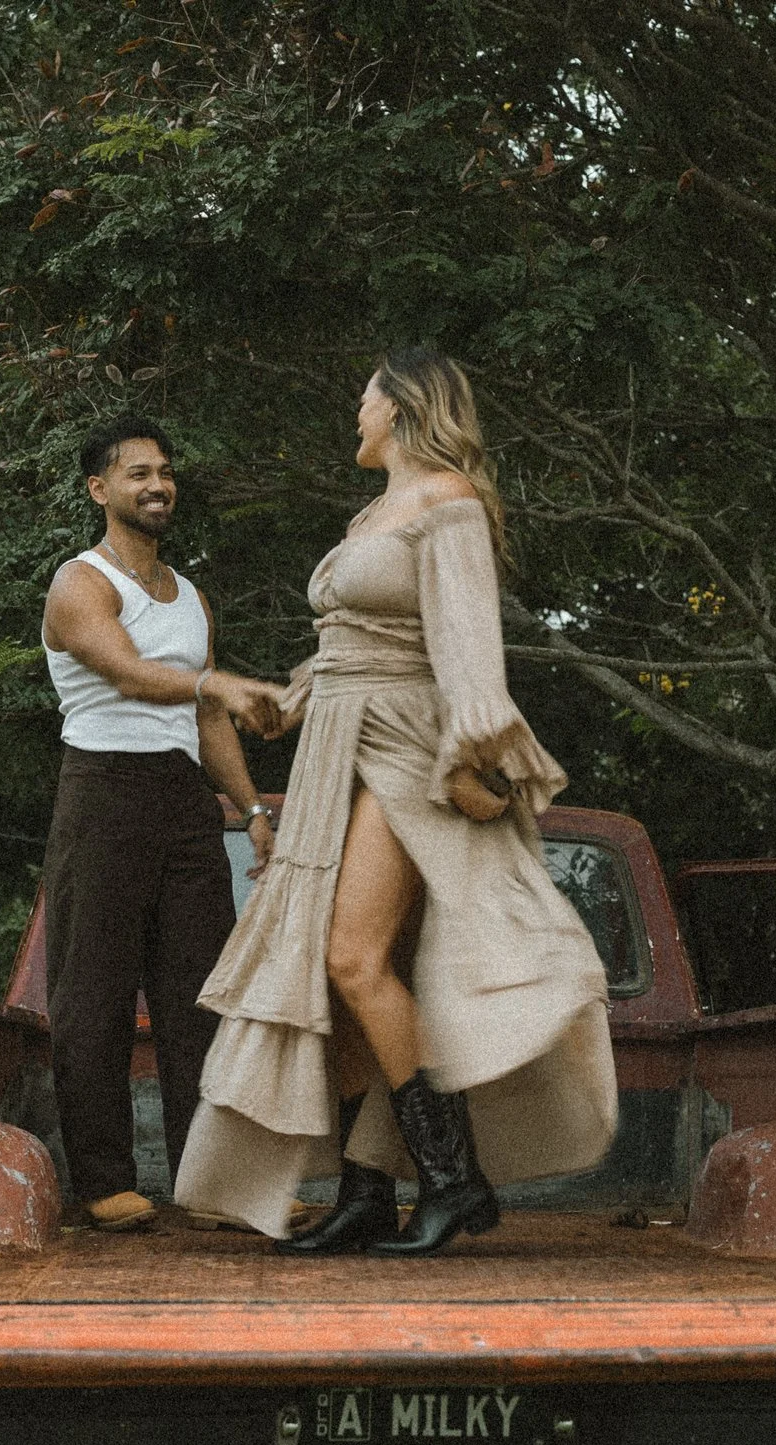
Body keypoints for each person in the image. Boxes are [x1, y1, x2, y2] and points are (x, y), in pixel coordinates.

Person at [173, 347, 617, 1255]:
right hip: (340, 746)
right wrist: (282, 700)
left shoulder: (448, 500)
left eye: (364, 399)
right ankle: (367, 1191)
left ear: (405, 406)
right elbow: (352, 646)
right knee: (333, 978)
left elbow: (465, 643)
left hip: (409, 752)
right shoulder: (373, 511)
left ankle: (454, 1181)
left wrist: (474, 751)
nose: (356, 415)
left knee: (351, 957)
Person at [41, 414, 287, 1231]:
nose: (157, 485)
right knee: (94, 995)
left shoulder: (190, 597)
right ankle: (106, 1180)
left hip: (185, 803)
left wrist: (249, 809)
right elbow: (131, 674)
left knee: (198, 999)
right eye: (137, 472)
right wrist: (215, 685)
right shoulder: (79, 582)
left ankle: (203, 1178)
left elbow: (204, 720)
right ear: (99, 489)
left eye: (165, 472)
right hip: (102, 793)